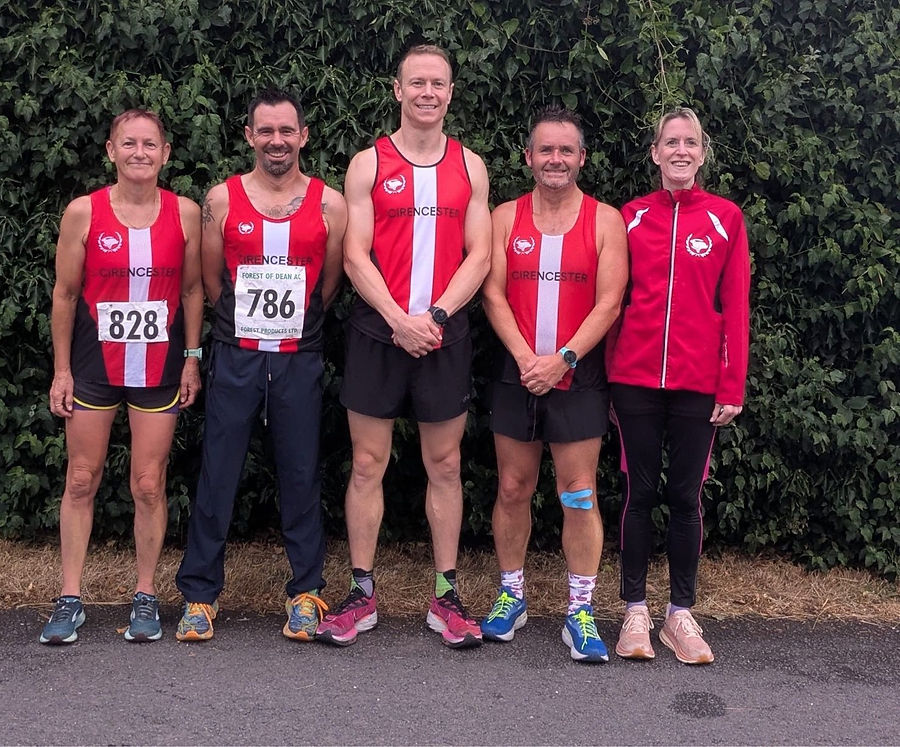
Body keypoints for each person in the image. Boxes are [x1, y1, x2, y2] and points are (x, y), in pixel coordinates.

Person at [315, 44, 491, 649]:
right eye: (416, 83)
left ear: (450, 92)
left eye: (437, 83)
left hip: (444, 334)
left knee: (444, 464)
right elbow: (353, 254)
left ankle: (446, 596)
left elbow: (481, 255)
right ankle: (362, 593)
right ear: (397, 90)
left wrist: (434, 315)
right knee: (367, 463)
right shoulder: (367, 164)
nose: (427, 93)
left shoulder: (471, 165)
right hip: (377, 332)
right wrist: (398, 317)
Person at [174, 89, 347, 643]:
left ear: (304, 136)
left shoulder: (330, 202)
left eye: (286, 131)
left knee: (300, 471)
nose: (277, 141)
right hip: (236, 353)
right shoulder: (220, 200)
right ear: (249, 136)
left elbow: (330, 283)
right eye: (265, 131)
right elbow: (209, 281)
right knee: (219, 471)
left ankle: (305, 591)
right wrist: (202, 352)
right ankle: (200, 595)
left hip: (300, 355)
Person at [43, 109, 203, 644]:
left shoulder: (184, 213)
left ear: (166, 153)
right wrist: (61, 369)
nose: (139, 153)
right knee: (81, 478)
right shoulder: (83, 213)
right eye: (128, 144)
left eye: (149, 144)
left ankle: (145, 595)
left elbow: (192, 293)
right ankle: (70, 597)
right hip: (93, 367)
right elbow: (64, 296)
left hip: (157, 370)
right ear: (111, 151)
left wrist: (192, 357)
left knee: (148, 484)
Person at [479, 106, 628, 661]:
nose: (556, 159)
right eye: (546, 150)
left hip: (579, 375)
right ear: (528, 157)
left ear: (582, 158)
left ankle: (580, 611)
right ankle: (511, 595)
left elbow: (610, 301)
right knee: (513, 488)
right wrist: (525, 357)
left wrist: (561, 359)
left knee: (578, 492)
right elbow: (491, 292)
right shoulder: (504, 216)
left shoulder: (605, 220)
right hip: (516, 372)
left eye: (566, 151)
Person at [607, 107, 750, 664]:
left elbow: (734, 304)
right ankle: (635, 611)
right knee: (638, 495)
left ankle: (680, 615)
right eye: (671, 142)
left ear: (702, 153)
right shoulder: (631, 217)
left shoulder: (725, 218)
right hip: (634, 378)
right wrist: (610, 378)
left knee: (686, 497)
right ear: (655, 153)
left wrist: (730, 383)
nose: (681, 150)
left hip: (698, 382)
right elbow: (613, 302)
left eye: (691, 142)